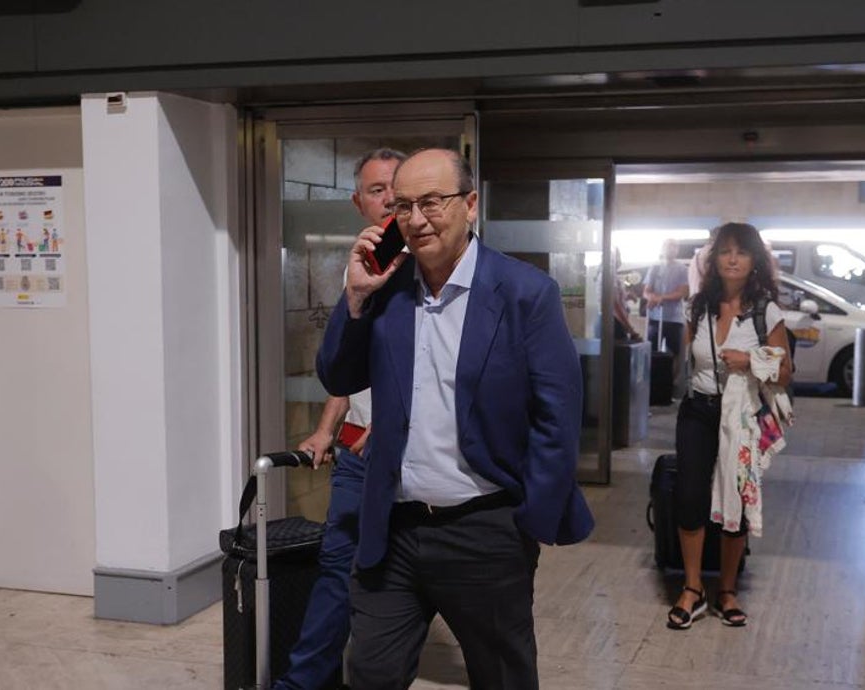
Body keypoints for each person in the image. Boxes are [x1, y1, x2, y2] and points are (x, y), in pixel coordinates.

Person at [316, 148, 594, 689]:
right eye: (402, 206)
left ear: (470, 205)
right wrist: (354, 296)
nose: (416, 220)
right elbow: (336, 377)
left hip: (485, 531)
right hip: (393, 529)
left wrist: (525, 522)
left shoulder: (523, 292)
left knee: (501, 677)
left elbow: (557, 419)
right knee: (370, 673)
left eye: (431, 202)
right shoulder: (385, 288)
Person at [275, 147, 405, 690]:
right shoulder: (364, 266)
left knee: (432, 582)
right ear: (359, 203)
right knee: (337, 570)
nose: (391, 199)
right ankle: (302, 684)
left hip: (421, 457)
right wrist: (327, 429)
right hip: (361, 458)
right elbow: (348, 368)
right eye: (378, 190)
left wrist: (401, 422)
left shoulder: (433, 265)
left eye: (399, 187)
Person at [670, 222, 792, 631]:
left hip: (740, 417)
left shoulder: (766, 311)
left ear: (755, 259)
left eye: (741, 252)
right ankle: (692, 589)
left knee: (736, 501)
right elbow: (688, 361)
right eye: (725, 252)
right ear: (714, 260)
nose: (733, 259)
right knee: (689, 497)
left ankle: (726, 589)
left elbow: (787, 372)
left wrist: (752, 361)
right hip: (698, 411)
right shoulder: (696, 308)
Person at [643, 238, 690, 395]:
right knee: (651, 350)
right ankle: (652, 384)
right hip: (655, 318)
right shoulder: (654, 268)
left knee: (675, 353)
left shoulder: (682, 269)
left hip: (674, 318)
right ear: (663, 248)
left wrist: (661, 298)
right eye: (669, 246)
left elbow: (682, 292)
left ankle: (668, 385)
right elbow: (646, 290)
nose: (672, 249)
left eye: (675, 246)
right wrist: (651, 297)